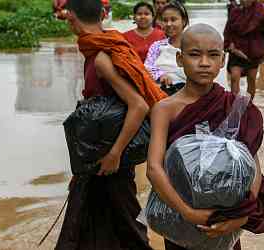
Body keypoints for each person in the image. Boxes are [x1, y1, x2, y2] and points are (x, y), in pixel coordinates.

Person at [147, 23, 264, 250]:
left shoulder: (235, 107)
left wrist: (242, 215)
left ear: (223, 60)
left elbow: (252, 165)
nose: (204, 63)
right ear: (179, 59)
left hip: (226, 217)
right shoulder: (164, 109)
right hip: (180, 217)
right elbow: (154, 168)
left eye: (213, 55)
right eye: (194, 54)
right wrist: (188, 212)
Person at [52, 0, 167, 249]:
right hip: (96, 159)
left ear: (71, 17)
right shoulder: (100, 47)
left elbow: (139, 105)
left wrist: (114, 154)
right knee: (86, 223)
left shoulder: (103, 57)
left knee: (127, 225)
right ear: (103, 14)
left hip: (112, 161)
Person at [224, 0, 264, 98]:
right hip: (236, 51)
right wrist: (229, 45)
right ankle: (234, 106)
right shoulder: (234, 12)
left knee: (251, 80)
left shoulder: (260, 10)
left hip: (253, 52)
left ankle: (249, 106)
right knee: (234, 78)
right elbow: (228, 30)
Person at [144, 1, 189, 95]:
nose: (168, 24)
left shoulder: (193, 46)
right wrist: (161, 75)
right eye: (165, 20)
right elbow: (147, 67)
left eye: (173, 19)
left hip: (186, 93)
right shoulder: (157, 46)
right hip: (159, 92)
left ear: (183, 21)